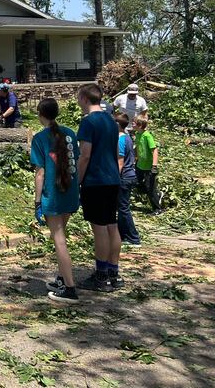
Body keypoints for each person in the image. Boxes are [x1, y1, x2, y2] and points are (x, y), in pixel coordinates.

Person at [31, 98, 81, 303]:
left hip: (52, 195)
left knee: (59, 240)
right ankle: (62, 278)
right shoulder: (70, 133)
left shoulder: (39, 138)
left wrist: (37, 202)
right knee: (60, 236)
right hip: (70, 192)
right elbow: (76, 160)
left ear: (40, 114)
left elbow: (40, 173)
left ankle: (70, 288)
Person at [76, 83, 122, 292]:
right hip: (113, 179)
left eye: (79, 97)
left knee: (100, 228)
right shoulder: (111, 121)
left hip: (96, 180)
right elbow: (115, 151)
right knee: (112, 225)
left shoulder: (88, 122)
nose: (78, 101)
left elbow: (85, 155)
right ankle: (114, 273)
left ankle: (101, 276)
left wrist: (77, 180)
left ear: (85, 98)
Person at [115, 113, 141, 246]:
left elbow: (120, 162)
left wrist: (115, 178)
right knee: (121, 207)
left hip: (124, 176)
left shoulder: (120, 139)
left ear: (117, 124)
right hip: (130, 174)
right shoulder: (128, 137)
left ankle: (134, 238)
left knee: (123, 208)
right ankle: (122, 235)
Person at [134, 116, 161, 211]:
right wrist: (135, 158)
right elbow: (138, 147)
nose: (132, 124)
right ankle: (155, 194)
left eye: (134, 123)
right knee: (136, 183)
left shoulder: (147, 136)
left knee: (150, 188)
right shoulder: (137, 134)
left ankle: (157, 209)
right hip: (139, 164)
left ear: (140, 125)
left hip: (148, 167)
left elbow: (155, 151)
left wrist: (154, 166)